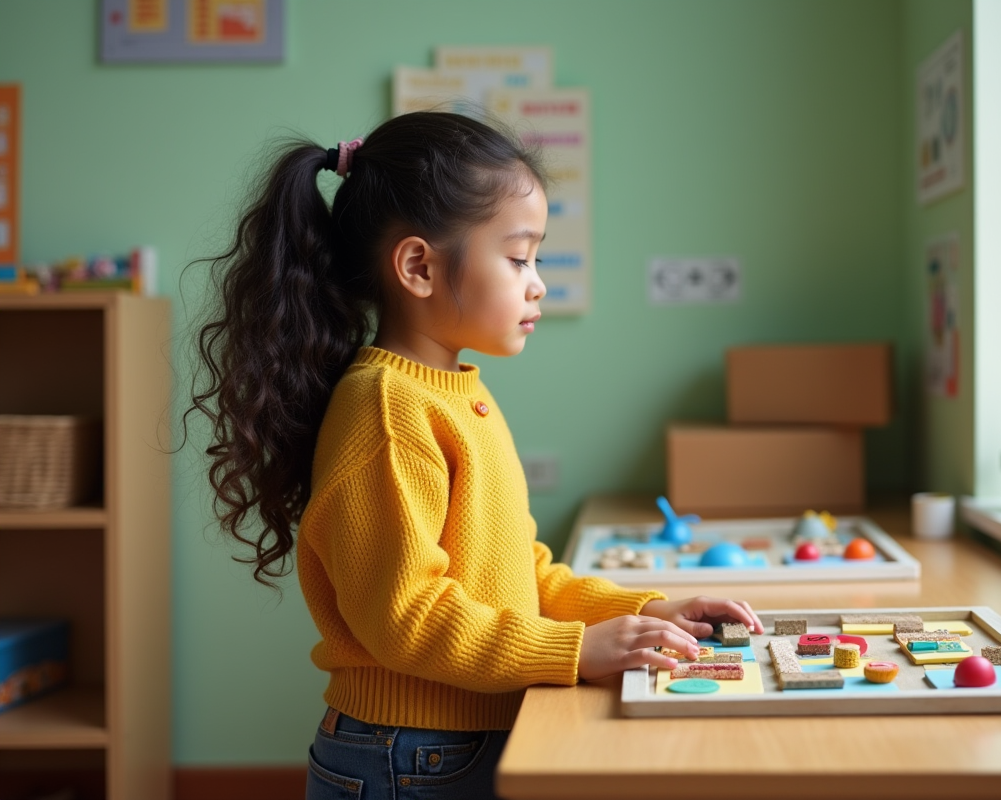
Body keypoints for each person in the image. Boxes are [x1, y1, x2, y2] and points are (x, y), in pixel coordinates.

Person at [189, 111, 764, 800]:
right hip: (408, 753)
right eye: (519, 257)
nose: (537, 282)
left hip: (449, 744)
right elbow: (408, 617)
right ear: (418, 266)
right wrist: (577, 652)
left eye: (537, 260)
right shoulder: (388, 408)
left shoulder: (457, 396)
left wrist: (650, 611)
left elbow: (526, 576)